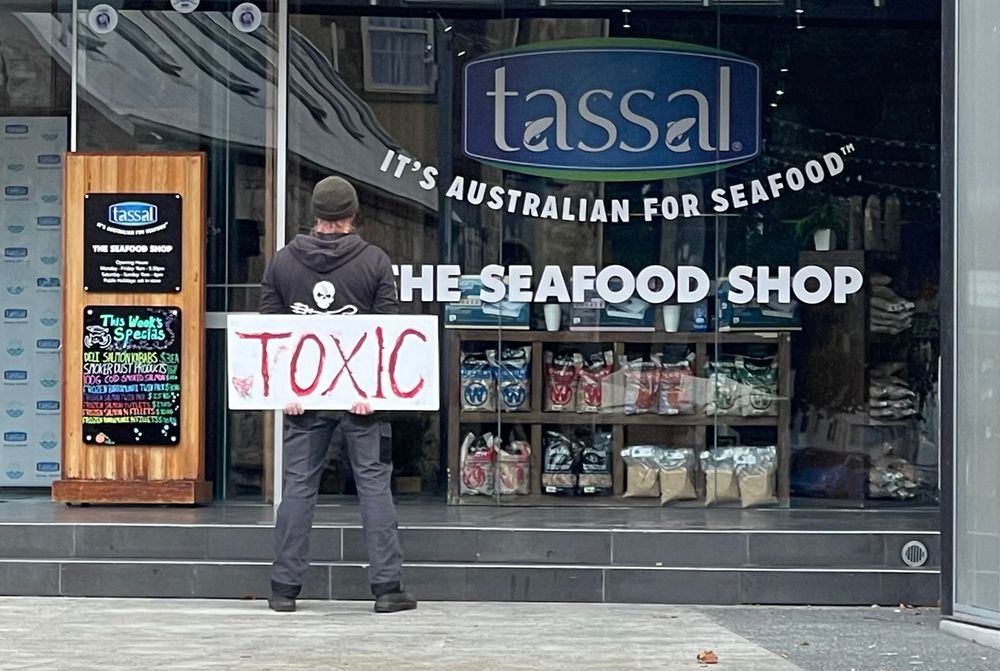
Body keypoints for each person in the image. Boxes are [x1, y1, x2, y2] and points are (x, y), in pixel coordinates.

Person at [259, 175, 416, 614]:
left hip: (302, 398)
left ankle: (283, 590)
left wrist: (285, 388)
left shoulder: (283, 262)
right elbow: (387, 333)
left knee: (298, 487)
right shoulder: (374, 262)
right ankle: (387, 589)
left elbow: (271, 334)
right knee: (373, 486)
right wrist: (372, 388)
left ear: (316, 216)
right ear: (352, 215)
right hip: (361, 399)